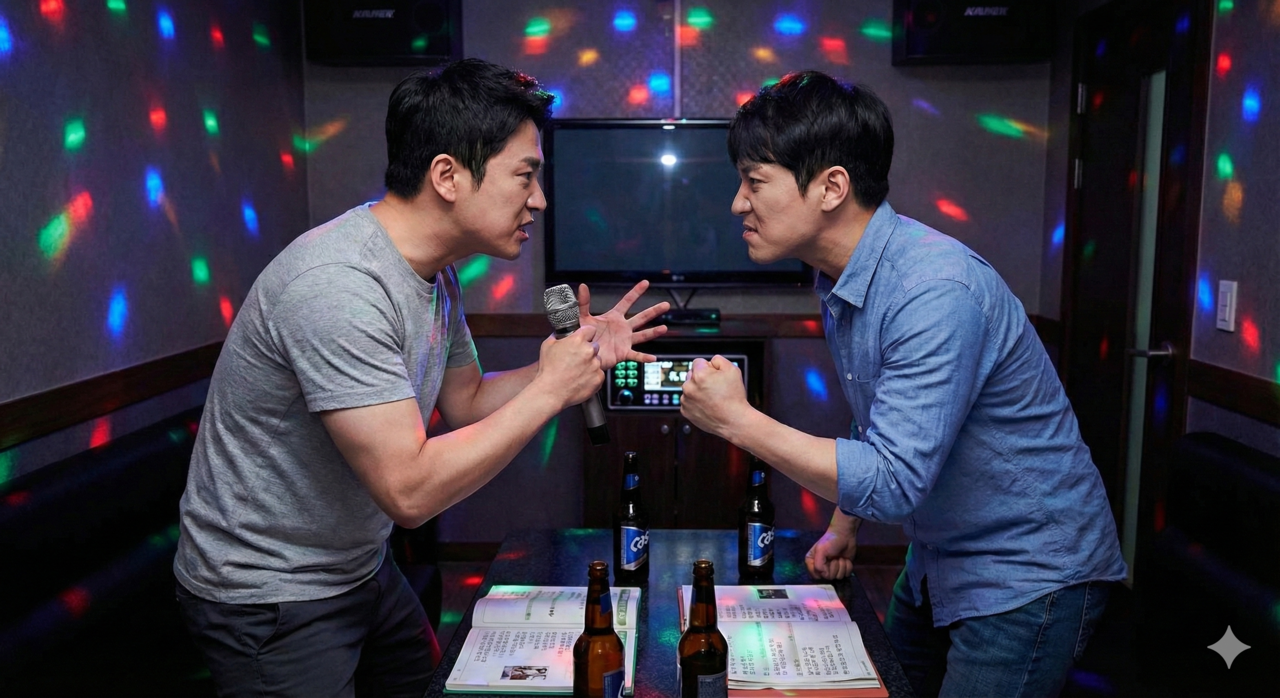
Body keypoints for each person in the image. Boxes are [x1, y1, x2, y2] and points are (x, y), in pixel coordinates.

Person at [173, 58, 669, 697]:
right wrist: (552, 390)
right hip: (270, 590)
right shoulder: (338, 287)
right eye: (525, 176)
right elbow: (408, 491)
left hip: (358, 563)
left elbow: (467, 402)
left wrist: (573, 361)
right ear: (447, 176)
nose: (540, 200)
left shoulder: (434, 273)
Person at [678, 71, 1125, 697]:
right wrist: (845, 525)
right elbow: (886, 416)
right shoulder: (843, 276)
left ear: (832, 187)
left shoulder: (932, 290)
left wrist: (737, 420)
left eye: (754, 182)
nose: (737, 203)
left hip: (1027, 571)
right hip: (938, 557)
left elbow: (893, 481)